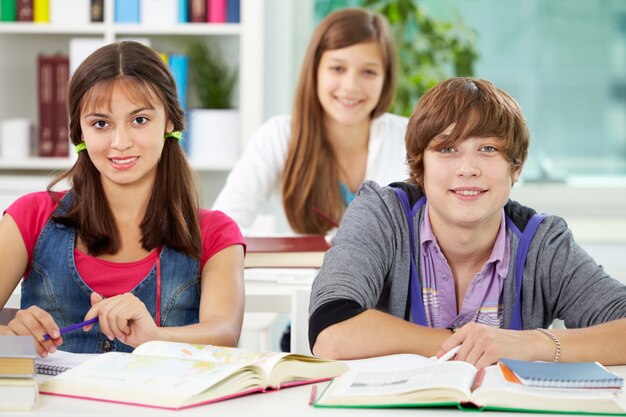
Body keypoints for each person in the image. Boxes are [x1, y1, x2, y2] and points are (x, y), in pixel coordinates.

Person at [309, 77, 626, 367]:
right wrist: (468, 343)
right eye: (447, 149)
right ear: (420, 166)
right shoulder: (383, 215)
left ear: (516, 167)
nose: (468, 168)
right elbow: (330, 330)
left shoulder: (543, 243)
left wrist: (526, 344)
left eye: (488, 149)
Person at [0, 41, 245, 357]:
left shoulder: (216, 232)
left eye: (139, 120)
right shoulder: (30, 216)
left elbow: (225, 333)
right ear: (80, 133)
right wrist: (12, 336)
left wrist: (154, 336)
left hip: (163, 406)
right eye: (101, 123)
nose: (120, 142)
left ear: (169, 121)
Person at [212, 8, 408, 235]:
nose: (351, 86)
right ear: (314, 71)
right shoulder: (279, 135)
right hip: (306, 271)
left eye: (368, 72)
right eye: (337, 68)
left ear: (386, 79)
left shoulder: (407, 137)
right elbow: (222, 227)